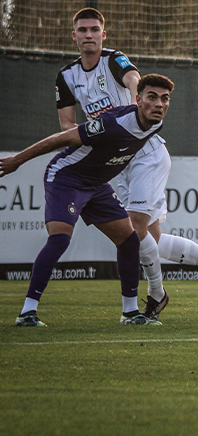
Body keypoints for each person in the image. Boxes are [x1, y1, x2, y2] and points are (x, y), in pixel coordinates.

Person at [56, 8, 198, 320]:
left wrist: (134, 103)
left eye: (94, 29)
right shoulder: (66, 76)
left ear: (103, 35)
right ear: (73, 35)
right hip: (118, 160)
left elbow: (133, 77)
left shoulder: (113, 59)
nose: (88, 34)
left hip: (145, 153)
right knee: (151, 239)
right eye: (82, 30)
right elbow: (67, 126)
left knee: (133, 229)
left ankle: (157, 295)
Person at [4, 75, 174, 326]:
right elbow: (61, 138)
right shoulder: (113, 123)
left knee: (129, 240)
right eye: (152, 97)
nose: (159, 104)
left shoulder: (155, 125)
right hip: (66, 177)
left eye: (165, 99)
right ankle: (27, 312)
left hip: (96, 185)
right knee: (60, 238)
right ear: (137, 99)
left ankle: (130, 313)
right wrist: (17, 160)